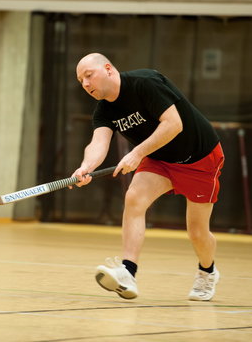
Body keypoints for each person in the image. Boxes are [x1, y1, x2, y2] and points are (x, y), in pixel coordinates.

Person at [72, 53, 224, 301]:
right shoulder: (104, 110)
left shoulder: (146, 82)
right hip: (160, 160)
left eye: (89, 75)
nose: (86, 84)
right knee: (134, 198)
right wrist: (85, 166)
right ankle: (127, 273)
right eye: (81, 81)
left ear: (109, 69)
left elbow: (173, 124)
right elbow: (98, 142)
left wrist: (137, 153)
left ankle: (208, 271)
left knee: (197, 232)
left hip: (200, 158)